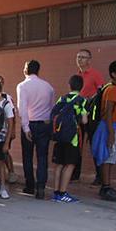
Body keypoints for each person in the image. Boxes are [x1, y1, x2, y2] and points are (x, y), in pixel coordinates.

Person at [16, 60, 55, 199]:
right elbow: (52, 107)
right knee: (42, 156)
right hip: (44, 124)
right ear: (38, 70)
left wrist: (26, 127)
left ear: (26, 70)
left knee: (27, 156)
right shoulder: (48, 87)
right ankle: (41, 187)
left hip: (30, 124)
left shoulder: (22, 86)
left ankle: (30, 186)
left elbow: (22, 109)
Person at [50, 75, 88, 203]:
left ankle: (56, 193)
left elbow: (54, 113)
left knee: (59, 164)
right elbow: (84, 120)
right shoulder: (81, 100)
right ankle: (63, 192)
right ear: (82, 86)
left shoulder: (62, 98)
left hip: (59, 136)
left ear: (69, 85)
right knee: (70, 164)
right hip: (72, 138)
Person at [96, 60, 116, 202]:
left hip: (112, 126)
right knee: (108, 157)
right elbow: (108, 112)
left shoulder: (114, 88)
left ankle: (107, 186)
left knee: (110, 157)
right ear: (114, 74)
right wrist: (110, 133)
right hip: (109, 127)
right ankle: (105, 187)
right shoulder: (112, 89)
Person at [75, 49, 105, 184]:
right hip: (78, 113)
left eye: (83, 57)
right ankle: (75, 174)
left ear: (89, 60)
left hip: (91, 114)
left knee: (94, 144)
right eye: (78, 57)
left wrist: (91, 102)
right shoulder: (77, 75)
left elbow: (101, 93)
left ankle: (100, 176)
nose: (80, 59)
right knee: (77, 144)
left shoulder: (95, 74)